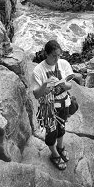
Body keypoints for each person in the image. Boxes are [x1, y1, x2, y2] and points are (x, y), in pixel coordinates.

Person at [32, 39, 74, 170]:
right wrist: (45, 84)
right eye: (54, 55)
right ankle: (54, 154)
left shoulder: (64, 64)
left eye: (59, 55)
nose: (57, 59)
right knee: (51, 132)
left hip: (64, 102)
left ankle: (60, 147)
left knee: (61, 128)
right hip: (49, 107)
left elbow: (70, 85)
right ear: (46, 54)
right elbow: (36, 95)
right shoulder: (38, 71)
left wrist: (62, 83)